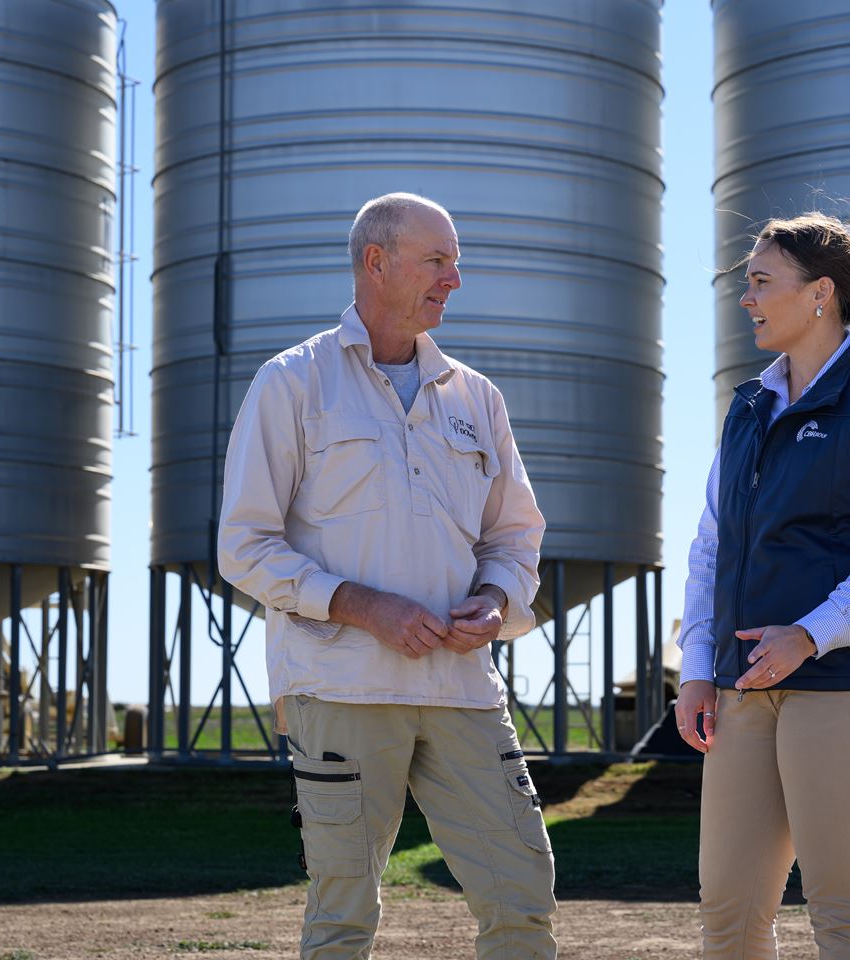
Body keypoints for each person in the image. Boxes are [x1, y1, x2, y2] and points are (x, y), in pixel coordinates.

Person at [217, 193, 556, 959]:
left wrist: (497, 602)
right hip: (341, 688)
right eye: (438, 260)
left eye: (456, 262)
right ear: (377, 262)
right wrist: (362, 607)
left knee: (523, 893)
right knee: (343, 917)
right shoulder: (292, 383)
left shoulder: (477, 398)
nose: (455, 279)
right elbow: (243, 545)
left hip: (464, 690)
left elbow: (515, 535)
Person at [674, 212, 850, 959]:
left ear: (820, 293)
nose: (746, 299)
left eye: (761, 283)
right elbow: (710, 547)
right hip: (742, 687)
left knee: (846, 912)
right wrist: (699, 670)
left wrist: (809, 634)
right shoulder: (747, 408)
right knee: (727, 915)